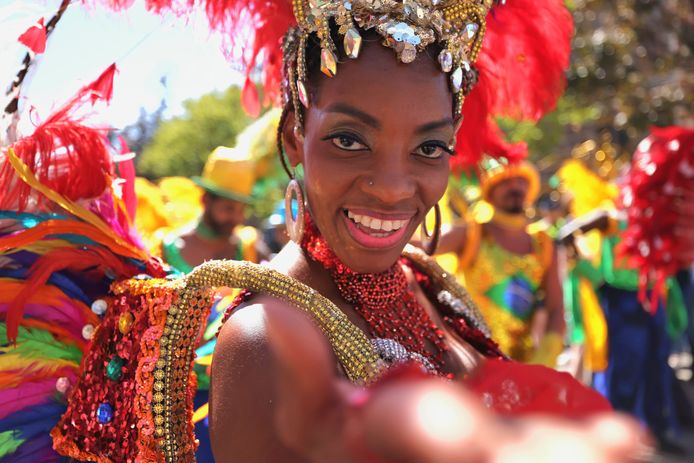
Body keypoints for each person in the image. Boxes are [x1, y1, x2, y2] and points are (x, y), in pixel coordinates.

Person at [436, 159, 565, 365]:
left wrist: (547, 356)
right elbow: (419, 245)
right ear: (490, 192)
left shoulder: (543, 243)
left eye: (521, 181)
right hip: (473, 361)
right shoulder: (472, 233)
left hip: (521, 366)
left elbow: (556, 308)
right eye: (505, 182)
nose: (515, 187)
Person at [161, 146, 269, 273]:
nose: (237, 218)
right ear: (205, 199)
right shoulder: (166, 250)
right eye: (229, 208)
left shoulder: (251, 250)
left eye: (242, 210)